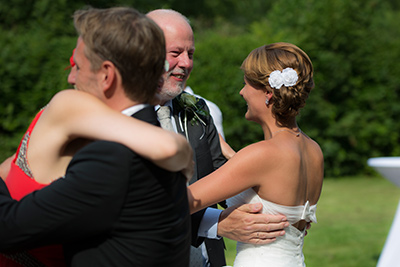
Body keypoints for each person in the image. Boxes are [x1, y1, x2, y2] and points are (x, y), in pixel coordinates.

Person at [0, 7, 192, 266]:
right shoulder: (141, 148)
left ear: (106, 75)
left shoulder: (113, 159)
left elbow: (8, 229)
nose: (71, 77)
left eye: (78, 66)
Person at [147, 9, 289, 267]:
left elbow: (222, 181)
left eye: (190, 54)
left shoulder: (197, 111)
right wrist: (215, 223)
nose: (187, 63)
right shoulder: (116, 117)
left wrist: (277, 212)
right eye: (176, 53)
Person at [188, 42, 324, 266]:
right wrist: (227, 150)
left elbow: (180, 202)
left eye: (246, 84)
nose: (242, 92)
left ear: (268, 93)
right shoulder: (313, 150)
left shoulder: (261, 155)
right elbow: (264, 182)